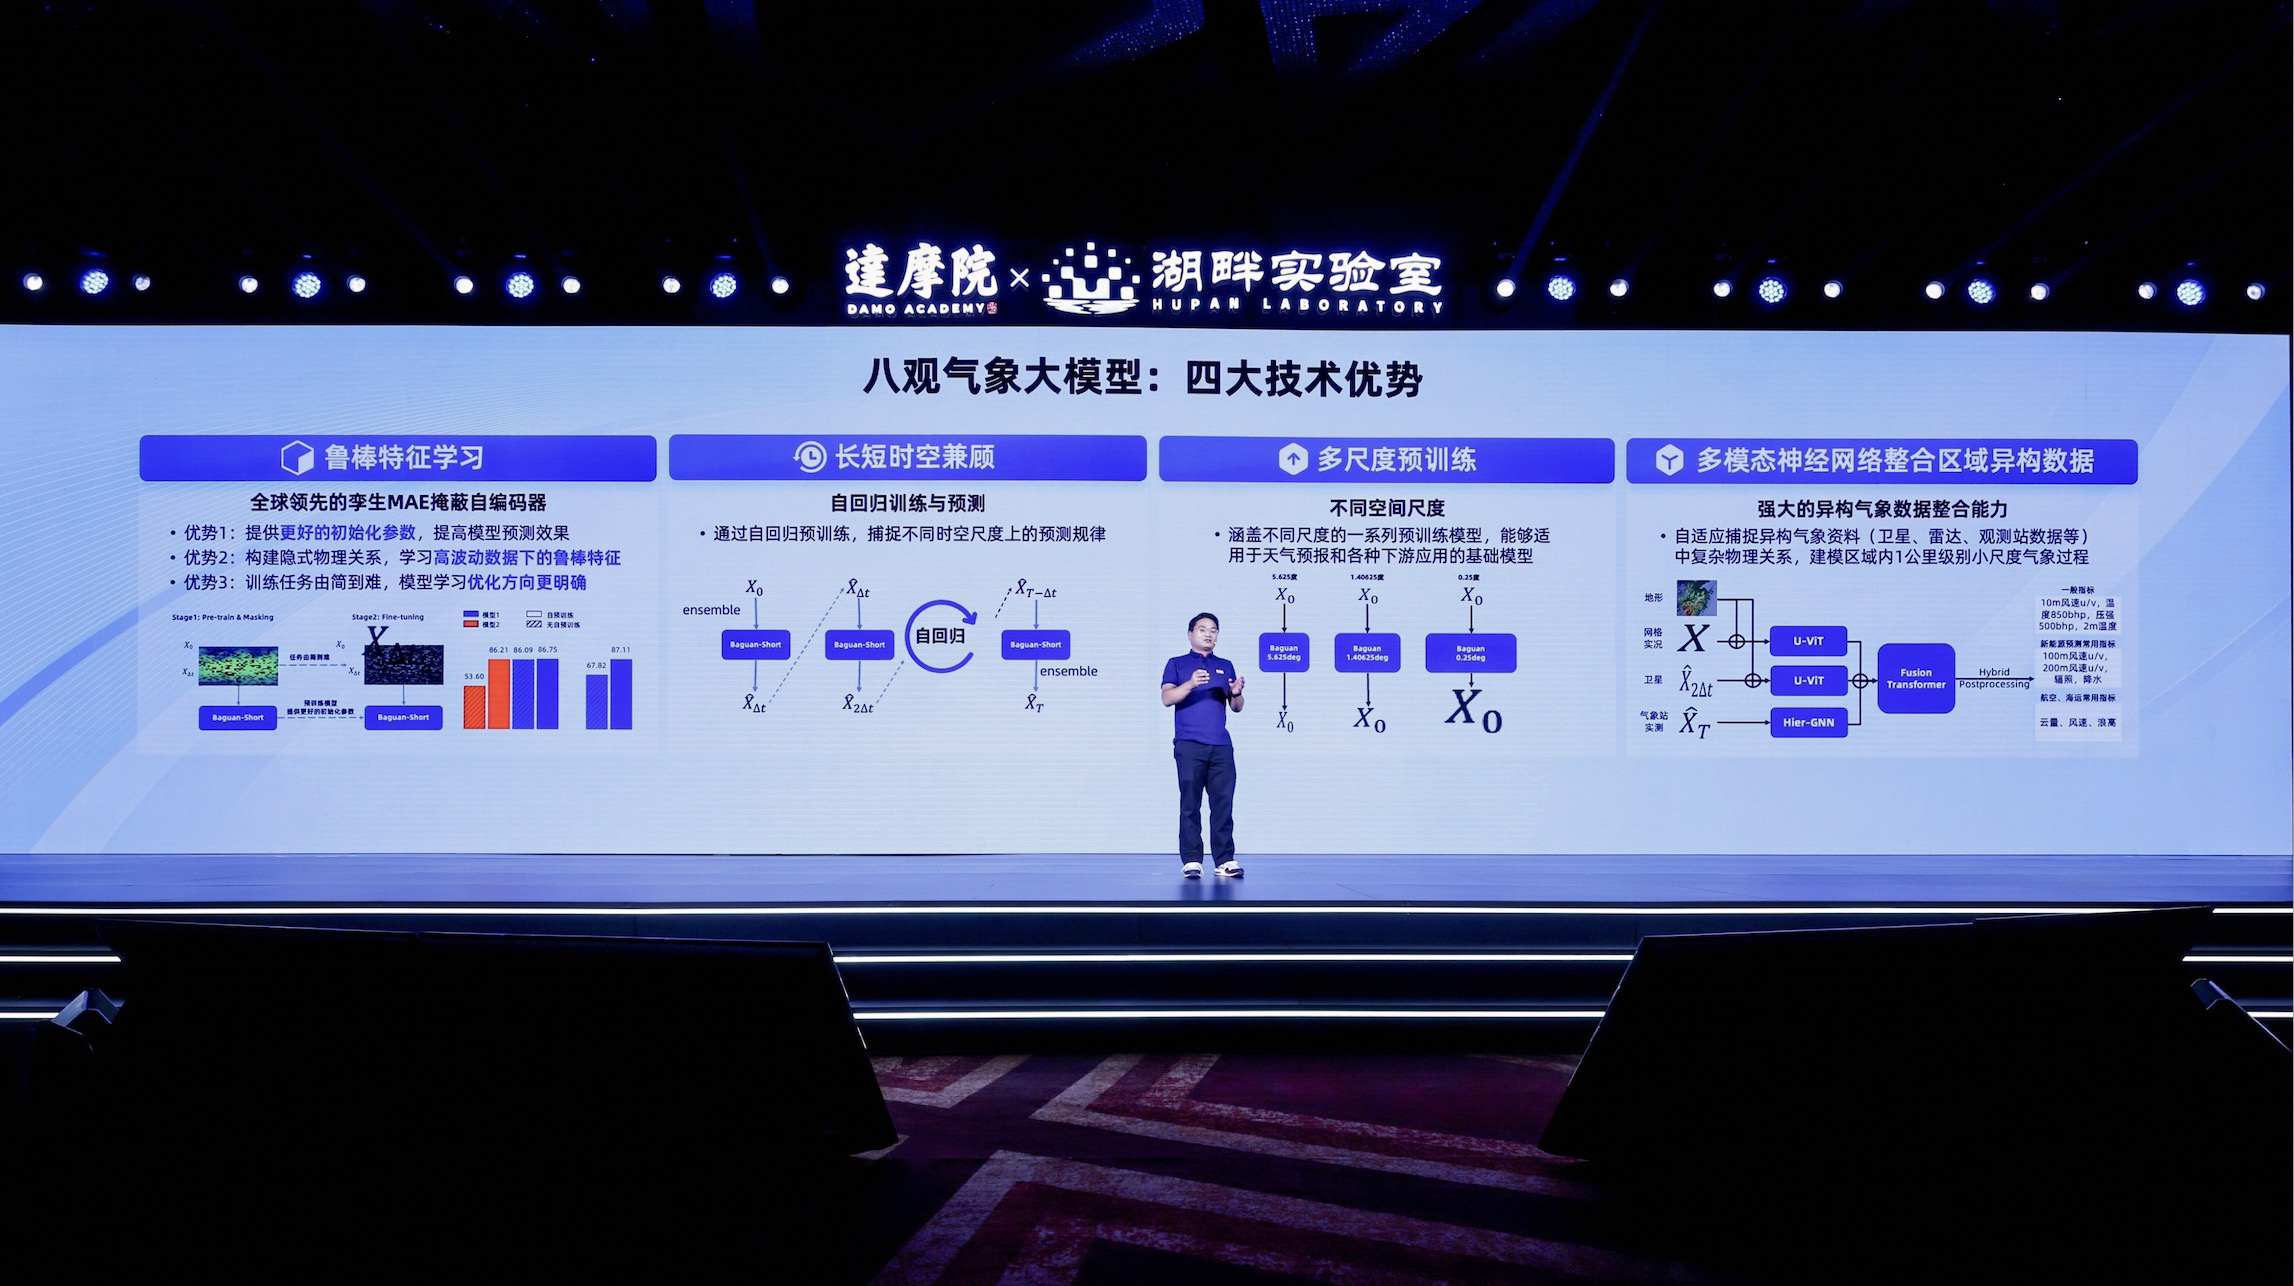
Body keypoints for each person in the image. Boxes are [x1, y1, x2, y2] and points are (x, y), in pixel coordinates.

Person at [1160, 611, 1245, 879]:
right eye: (1202, 629)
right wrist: (1191, 683)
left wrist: (1236, 693)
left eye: (1213, 630)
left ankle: (1225, 860)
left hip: (1221, 746)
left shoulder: (1225, 665)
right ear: (1190, 634)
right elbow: (1167, 698)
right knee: (1190, 804)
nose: (1209, 634)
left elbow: (1237, 707)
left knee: (1223, 804)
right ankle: (1192, 860)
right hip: (1189, 745)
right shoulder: (1177, 663)